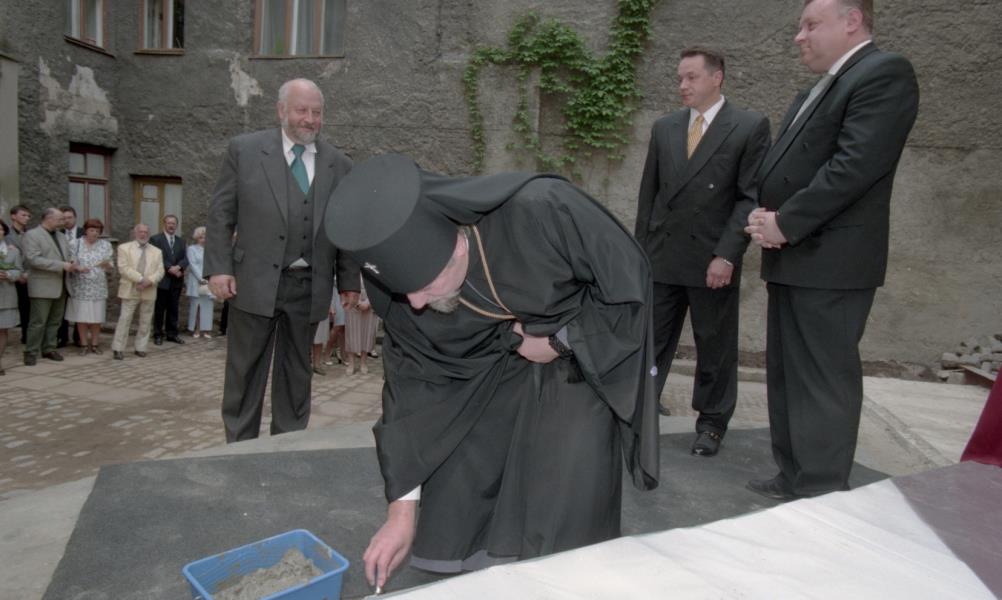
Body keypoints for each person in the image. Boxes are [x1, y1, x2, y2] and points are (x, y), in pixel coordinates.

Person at [326, 154, 659, 589]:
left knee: (564, 505)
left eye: (425, 286)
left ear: (459, 246)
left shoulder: (546, 210)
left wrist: (560, 340)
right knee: (458, 491)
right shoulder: (406, 298)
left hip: (576, 363)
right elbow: (410, 388)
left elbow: (628, 288)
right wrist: (400, 513)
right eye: (406, 292)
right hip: (484, 378)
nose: (418, 304)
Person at [744, 0, 919, 500]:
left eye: (811, 25)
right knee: (787, 374)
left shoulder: (883, 73)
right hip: (795, 254)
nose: (799, 36)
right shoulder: (822, 86)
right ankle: (793, 473)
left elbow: (854, 166)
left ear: (852, 21)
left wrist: (786, 222)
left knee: (821, 378)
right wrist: (764, 216)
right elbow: (789, 164)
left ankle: (820, 490)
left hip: (832, 260)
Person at [205, 78, 360, 443]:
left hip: (309, 286)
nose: (310, 119)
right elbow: (221, 213)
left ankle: (287, 446)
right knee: (245, 371)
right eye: (302, 110)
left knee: (296, 374)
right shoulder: (244, 151)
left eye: (317, 112)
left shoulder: (340, 164)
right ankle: (239, 448)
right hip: (253, 282)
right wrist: (219, 268)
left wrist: (349, 281)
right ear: (281, 111)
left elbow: (346, 226)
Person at [635, 46, 770, 456]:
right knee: (651, 340)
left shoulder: (748, 126)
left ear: (717, 77)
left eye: (691, 77)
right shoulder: (665, 127)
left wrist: (727, 255)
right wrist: (640, 254)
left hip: (712, 259)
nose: (683, 85)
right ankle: (640, 409)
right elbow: (649, 197)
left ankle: (711, 423)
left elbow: (749, 197)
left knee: (714, 345)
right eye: (680, 77)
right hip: (663, 254)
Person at [22, 207, 78, 365]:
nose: (63, 222)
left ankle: (49, 348)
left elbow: (68, 254)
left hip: (61, 285)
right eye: (60, 219)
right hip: (42, 286)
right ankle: (31, 351)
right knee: (38, 322)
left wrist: (72, 261)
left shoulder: (61, 236)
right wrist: (62, 265)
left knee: (55, 321)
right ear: (48, 218)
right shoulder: (32, 235)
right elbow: (33, 260)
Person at [111, 223, 165, 360]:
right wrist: (141, 279)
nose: (143, 234)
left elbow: (160, 271)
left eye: (146, 232)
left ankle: (141, 347)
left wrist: (149, 281)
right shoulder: (124, 248)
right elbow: (124, 268)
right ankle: (118, 348)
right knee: (125, 319)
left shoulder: (157, 251)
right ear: (135, 233)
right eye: (141, 232)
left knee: (146, 320)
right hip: (130, 288)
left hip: (149, 289)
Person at [65, 218, 113, 354]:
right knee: (81, 317)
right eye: (92, 230)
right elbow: (70, 262)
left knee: (96, 318)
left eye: (97, 231)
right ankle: (83, 344)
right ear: (86, 230)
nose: (95, 233)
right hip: (81, 287)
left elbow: (110, 264)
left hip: (98, 287)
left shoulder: (105, 245)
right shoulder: (75, 243)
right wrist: (78, 267)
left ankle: (95, 344)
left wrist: (107, 265)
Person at [150, 214, 188, 345]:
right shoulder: (155, 239)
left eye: (173, 223)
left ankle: (172, 334)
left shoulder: (181, 241)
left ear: (176, 225)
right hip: (163, 280)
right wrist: (170, 268)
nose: (171, 225)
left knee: (173, 309)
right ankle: (157, 334)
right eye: (169, 223)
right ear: (164, 224)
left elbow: (185, 259)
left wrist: (179, 267)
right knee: (159, 309)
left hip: (176, 280)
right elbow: (156, 257)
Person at [57, 205, 85, 348]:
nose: (67, 221)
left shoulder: (83, 233)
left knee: (79, 307)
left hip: (80, 275)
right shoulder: (57, 234)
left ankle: (78, 338)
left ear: (75, 218)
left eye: (70, 217)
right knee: (62, 307)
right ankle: (62, 337)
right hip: (62, 275)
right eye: (64, 218)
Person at [0, 220, 24, 375]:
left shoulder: (12, 251)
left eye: (0, 229)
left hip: (6, 295)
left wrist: (8, 274)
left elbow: (18, 270)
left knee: (2, 330)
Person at [7, 205, 31, 344]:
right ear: (13, 216)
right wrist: (18, 274)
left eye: (28, 216)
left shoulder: (30, 234)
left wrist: (27, 273)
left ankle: (27, 335)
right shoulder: (6, 234)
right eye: (23, 215)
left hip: (29, 276)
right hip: (11, 275)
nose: (26, 218)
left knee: (27, 306)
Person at [184, 226, 214, 338]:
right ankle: (196, 328)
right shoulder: (192, 249)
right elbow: (193, 265)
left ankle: (206, 329)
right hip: (196, 281)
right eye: (201, 237)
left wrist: (209, 278)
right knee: (197, 307)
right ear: (197, 238)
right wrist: (201, 279)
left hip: (209, 281)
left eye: (205, 237)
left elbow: (213, 264)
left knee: (208, 306)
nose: (203, 239)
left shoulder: (210, 250)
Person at [343, 282, 378, 375]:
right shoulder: (350, 271)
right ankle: (351, 364)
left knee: (366, 332)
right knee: (351, 333)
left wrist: (368, 302)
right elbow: (345, 285)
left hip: (369, 302)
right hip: (352, 300)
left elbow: (377, 286)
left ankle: (363, 363)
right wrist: (357, 303)